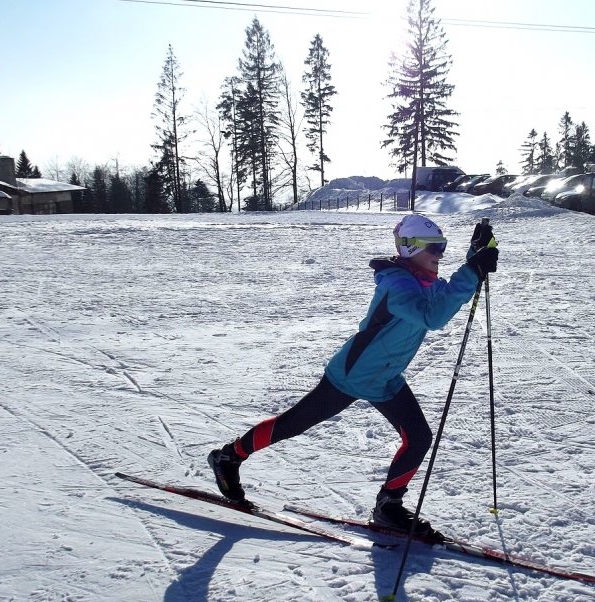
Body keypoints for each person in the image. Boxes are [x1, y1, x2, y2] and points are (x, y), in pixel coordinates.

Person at [208, 214, 499, 535]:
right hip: (353, 373)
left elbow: (444, 297)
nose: (440, 254)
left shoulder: (425, 281)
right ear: (409, 248)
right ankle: (228, 457)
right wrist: (472, 271)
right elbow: (431, 316)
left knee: (419, 438)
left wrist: (475, 258)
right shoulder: (398, 285)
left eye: (443, 247)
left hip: (386, 377)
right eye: (433, 247)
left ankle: (389, 506)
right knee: (294, 424)